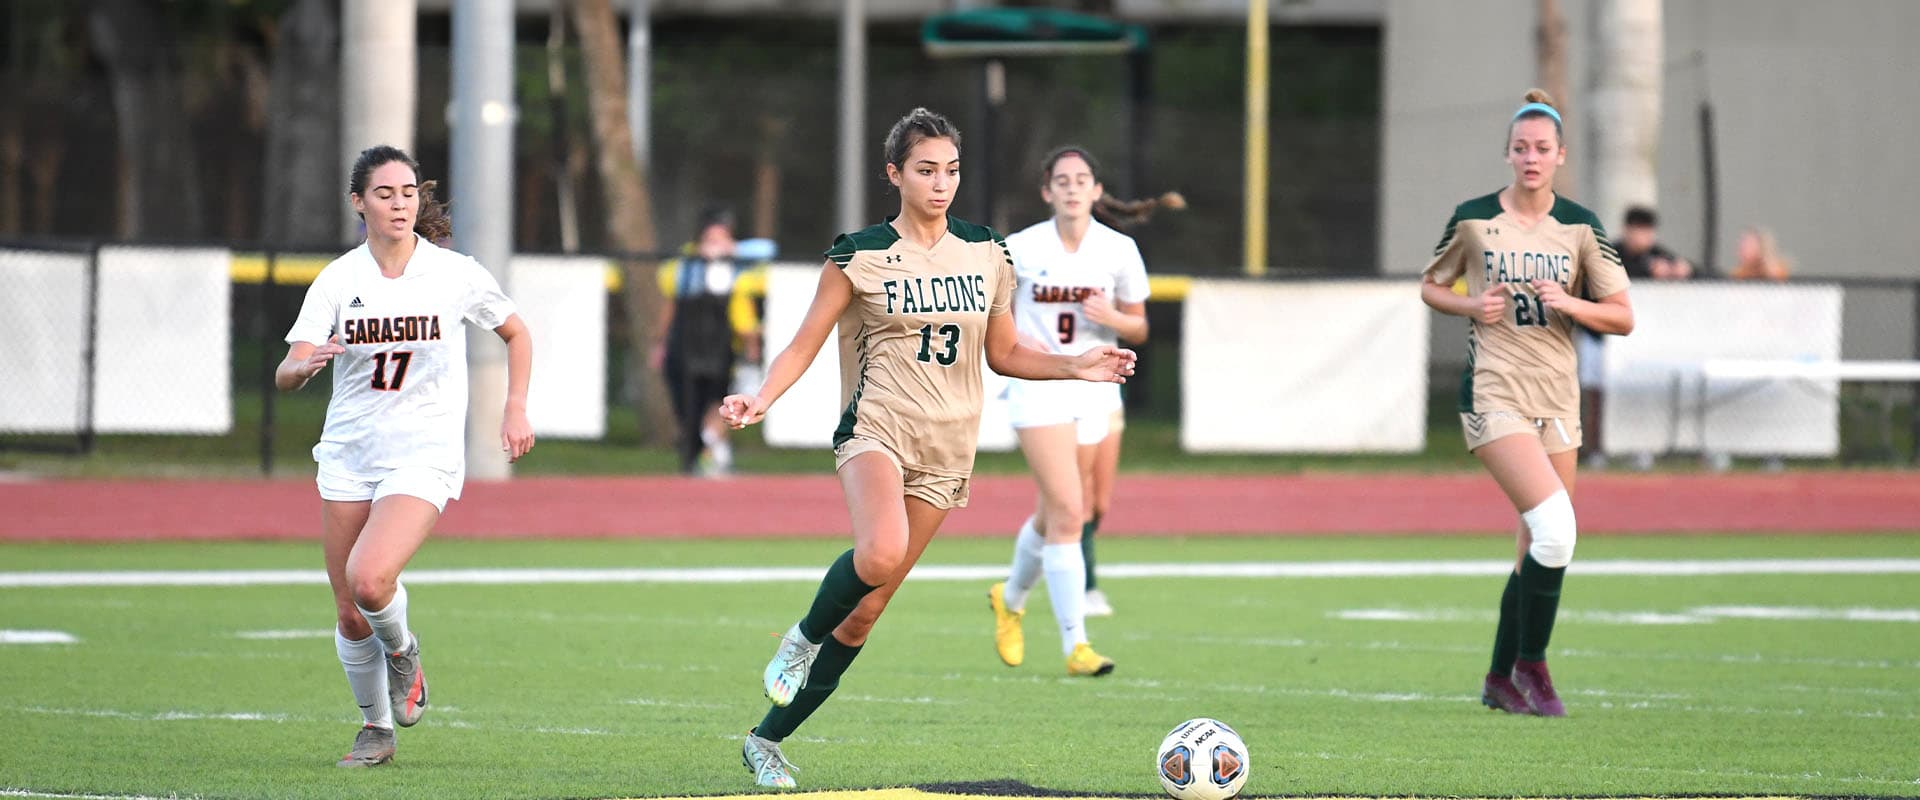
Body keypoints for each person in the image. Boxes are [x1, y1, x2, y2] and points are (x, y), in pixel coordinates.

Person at [721, 108, 1136, 788]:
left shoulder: (987, 252)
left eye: (951, 170)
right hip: (878, 428)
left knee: (866, 614)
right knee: (878, 552)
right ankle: (797, 642)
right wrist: (762, 399)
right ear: (894, 174)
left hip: (950, 447)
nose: (941, 184)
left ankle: (765, 740)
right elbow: (801, 344)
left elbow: (1003, 352)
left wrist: (1077, 364)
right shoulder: (857, 254)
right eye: (925, 170)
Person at [276, 145, 536, 767]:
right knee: (347, 608)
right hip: (348, 453)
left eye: (409, 192)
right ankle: (376, 729)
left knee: (371, 579)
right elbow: (288, 369)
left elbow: (516, 332)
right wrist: (302, 365)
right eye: (386, 193)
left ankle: (404, 653)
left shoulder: (453, 272)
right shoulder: (340, 279)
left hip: (423, 452)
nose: (399, 203)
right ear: (358, 203)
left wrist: (516, 406)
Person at [1419, 90, 1633, 717]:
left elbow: (1622, 317)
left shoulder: (1582, 227)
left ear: (1561, 155)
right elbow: (1432, 287)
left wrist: (1571, 304)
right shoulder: (1473, 219)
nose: (1531, 158)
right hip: (1495, 391)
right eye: (1521, 148)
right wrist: (1469, 303)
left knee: (1543, 546)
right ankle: (1534, 669)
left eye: (1542, 148)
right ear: (1508, 154)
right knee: (1556, 526)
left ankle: (1499, 679)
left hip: (1558, 397)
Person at [987, 146, 1154, 673]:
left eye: (1082, 179)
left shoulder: (1118, 249)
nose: (1073, 187)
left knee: (1078, 508)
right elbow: (997, 319)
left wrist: (1114, 318)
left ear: (1097, 190)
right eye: (1062, 180)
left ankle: (1009, 598)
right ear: (1047, 191)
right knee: (1069, 511)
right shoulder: (1020, 247)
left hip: (1097, 385)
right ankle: (1074, 645)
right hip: (1040, 385)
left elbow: (1140, 326)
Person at [651, 207, 776, 476]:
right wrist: (660, 342)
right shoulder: (686, 265)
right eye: (711, 238)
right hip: (685, 346)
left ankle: (711, 450)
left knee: (718, 400)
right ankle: (694, 457)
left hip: (719, 347)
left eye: (722, 238)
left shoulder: (736, 267)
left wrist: (733, 250)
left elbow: (768, 249)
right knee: (686, 407)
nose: (715, 244)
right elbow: (671, 303)